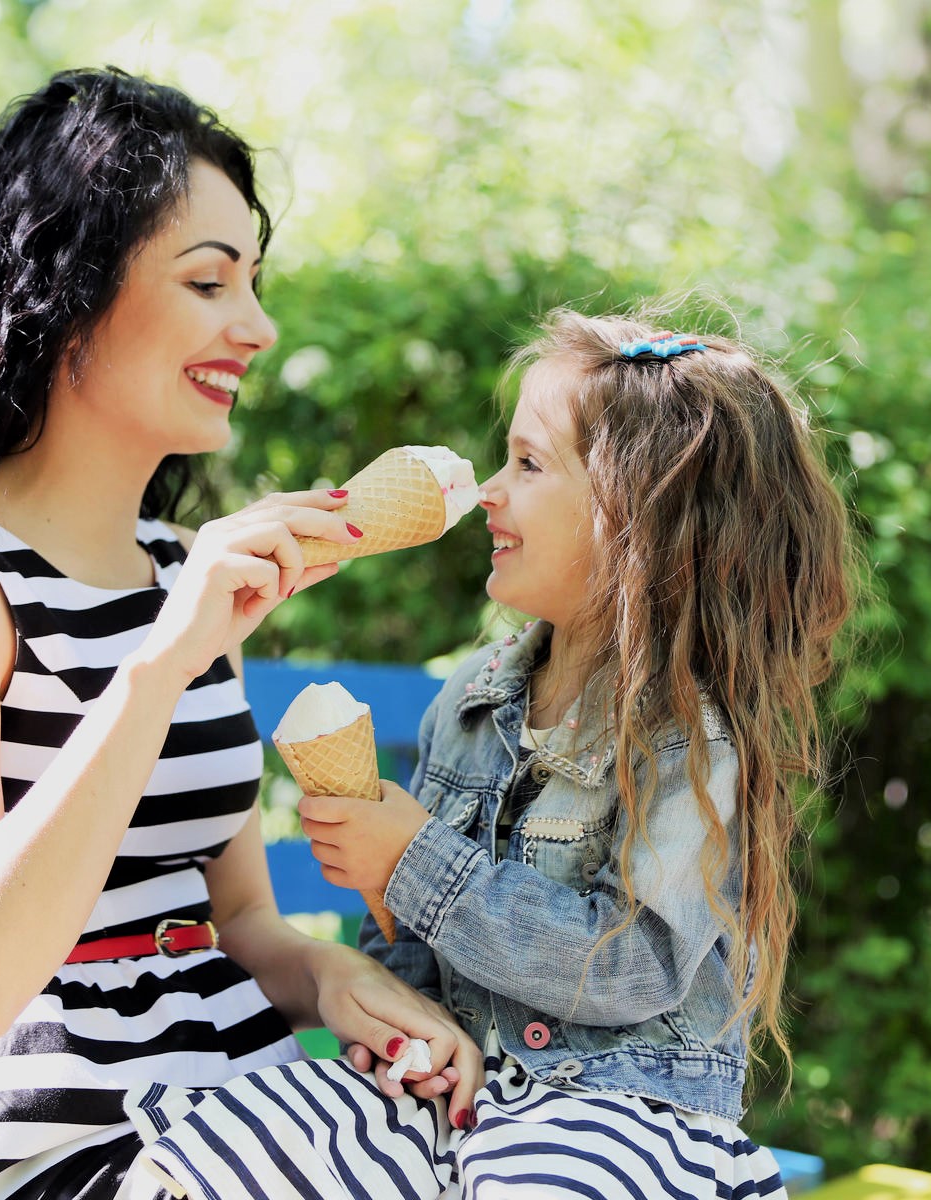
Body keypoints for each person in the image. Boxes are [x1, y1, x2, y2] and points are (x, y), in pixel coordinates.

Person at [0, 68, 479, 1199]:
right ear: (66, 288)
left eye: (254, 282)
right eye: (208, 281)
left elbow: (236, 921)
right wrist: (160, 662)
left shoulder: (182, 580)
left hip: (237, 1105)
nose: (256, 325)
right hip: (35, 1137)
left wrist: (332, 980)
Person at [129, 309, 858, 1199]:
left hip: (619, 1108)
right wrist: (407, 1035)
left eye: (528, 463)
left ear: (638, 516)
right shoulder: (467, 703)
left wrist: (416, 863)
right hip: (461, 1097)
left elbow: (639, 967)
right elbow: (404, 954)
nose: (488, 493)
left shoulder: (689, 737)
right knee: (236, 1146)